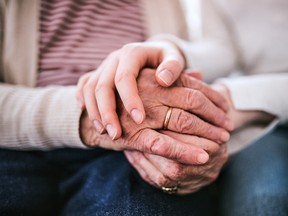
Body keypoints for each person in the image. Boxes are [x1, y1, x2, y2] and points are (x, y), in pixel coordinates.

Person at [0, 0, 230, 215]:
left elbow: (223, 49)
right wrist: (88, 116)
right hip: (15, 139)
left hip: (131, 148)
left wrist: (172, 50)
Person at [76, 0, 288, 215]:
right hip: (265, 123)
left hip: (256, 108)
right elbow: (222, 47)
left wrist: (228, 100)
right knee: (264, 199)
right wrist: (173, 52)